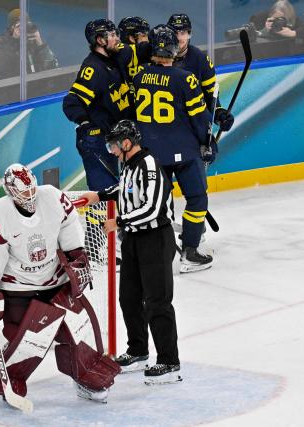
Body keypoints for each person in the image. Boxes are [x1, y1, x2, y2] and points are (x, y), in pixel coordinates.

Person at [0, 163, 120, 404]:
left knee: (76, 334)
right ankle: (7, 376)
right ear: (10, 192)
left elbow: (69, 223)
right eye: (23, 193)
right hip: (19, 289)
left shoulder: (53, 197)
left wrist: (75, 254)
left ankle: (84, 377)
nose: (29, 196)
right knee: (28, 342)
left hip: (57, 282)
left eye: (31, 190)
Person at [82, 120, 182, 385]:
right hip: (134, 240)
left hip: (155, 239)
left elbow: (153, 209)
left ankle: (169, 361)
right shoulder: (128, 165)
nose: (111, 150)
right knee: (129, 297)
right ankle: (138, 351)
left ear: (127, 143)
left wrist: (120, 222)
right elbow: (126, 191)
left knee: (157, 301)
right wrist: (100, 196)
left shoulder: (149, 165)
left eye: (113, 145)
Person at [133, 25, 216, 273]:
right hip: (184, 151)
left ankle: (161, 253)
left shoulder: (139, 77)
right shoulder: (185, 78)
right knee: (197, 197)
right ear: (172, 49)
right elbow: (199, 118)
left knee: (158, 204)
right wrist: (207, 142)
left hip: (150, 154)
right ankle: (189, 251)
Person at [62, 19, 134, 192]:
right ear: (100, 41)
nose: (117, 38)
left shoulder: (115, 58)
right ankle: (99, 220)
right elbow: (72, 102)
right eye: (111, 35)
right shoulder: (93, 68)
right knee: (104, 195)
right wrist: (86, 124)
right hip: (102, 140)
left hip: (121, 136)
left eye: (116, 33)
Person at [167, 13, 234, 131]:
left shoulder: (200, 59)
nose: (178, 38)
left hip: (190, 128)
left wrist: (219, 114)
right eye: (174, 33)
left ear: (189, 34)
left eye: (182, 33)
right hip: (163, 126)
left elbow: (211, 96)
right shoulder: (156, 58)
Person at [0, 9, 58, 81]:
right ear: (12, 28)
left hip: (35, 89)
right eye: (19, 25)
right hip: (8, 88)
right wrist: (16, 39)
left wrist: (40, 44)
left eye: (26, 25)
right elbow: (3, 67)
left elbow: (53, 66)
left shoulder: (33, 41)